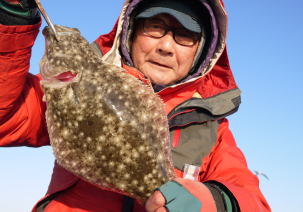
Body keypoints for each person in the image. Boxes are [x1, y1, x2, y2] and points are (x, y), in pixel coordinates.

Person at [0, 0, 271, 211]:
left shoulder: (214, 132)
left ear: (203, 51)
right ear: (130, 32)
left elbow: (251, 200)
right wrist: (13, 16)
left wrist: (213, 202)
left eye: (185, 35)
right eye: (154, 26)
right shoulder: (64, 88)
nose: (166, 45)